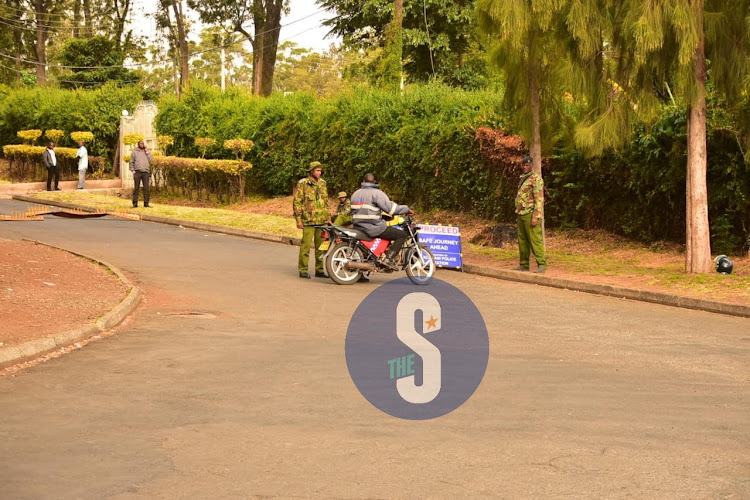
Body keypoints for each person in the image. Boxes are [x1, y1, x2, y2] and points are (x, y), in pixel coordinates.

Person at [351, 173, 412, 269]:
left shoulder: (355, 194)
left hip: (358, 227)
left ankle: (362, 272)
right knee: (402, 235)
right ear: (374, 182)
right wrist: (406, 209)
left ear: (363, 181)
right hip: (373, 228)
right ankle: (389, 259)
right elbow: (390, 209)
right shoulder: (377, 193)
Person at [293, 161, 330, 279]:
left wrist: (328, 217)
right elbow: (297, 202)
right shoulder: (303, 183)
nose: (319, 173)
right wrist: (298, 219)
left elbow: (326, 202)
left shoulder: (323, 184)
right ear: (312, 171)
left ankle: (319, 270)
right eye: (317, 170)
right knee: (306, 246)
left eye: (320, 170)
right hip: (308, 220)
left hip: (321, 220)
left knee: (321, 247)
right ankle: (303, 270)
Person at [514, 155, 547, 273]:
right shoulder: (524, 178)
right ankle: (524, 264)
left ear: (532, 166)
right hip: (521, 212)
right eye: (523, 165)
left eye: (527, 165)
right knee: (522, 240)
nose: (525, 167)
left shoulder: (535, 178)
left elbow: (539, 199)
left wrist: (536, 215)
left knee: (535, 239)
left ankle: (541, 264)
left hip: (530, 213)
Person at [129, 140, 153, 208]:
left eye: (143, 143)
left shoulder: (146, 152)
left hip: (146, 172)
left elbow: (151, 160)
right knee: (136, 188)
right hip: (137, 172)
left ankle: (146, 203)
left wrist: (147, 152)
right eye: (141, 143)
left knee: (146, 188)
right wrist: (133, 170)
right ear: (138, 144)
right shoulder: (134, 152)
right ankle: (135, 203)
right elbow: (131, 161)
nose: (142, 144)